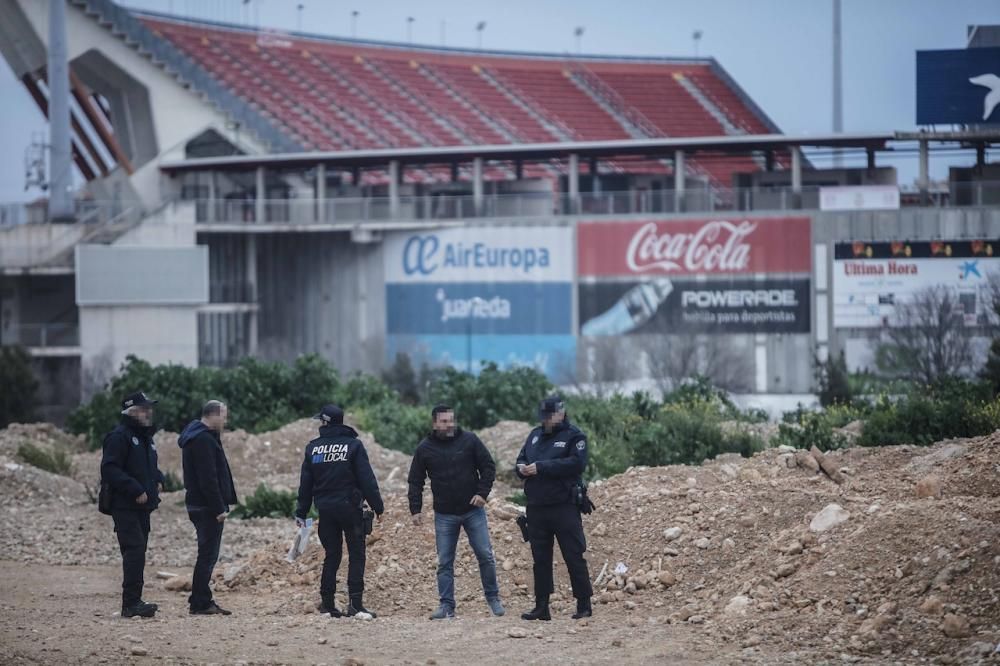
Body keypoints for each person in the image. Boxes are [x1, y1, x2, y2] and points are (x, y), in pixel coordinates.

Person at [408, 405, 504, 620]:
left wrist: (483, 494)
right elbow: (415, 480)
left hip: (473, 511)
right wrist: (415, 509)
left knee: (485, 555)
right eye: (444, 421)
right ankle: (446, 605)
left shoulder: (469, 440)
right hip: (444, 514)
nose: (449, 424)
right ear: (434, 424)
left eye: (451, 420)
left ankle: (493, 598)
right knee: (444, 562)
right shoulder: (425, 448)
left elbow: (488, 466)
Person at [295, 404, 385, 618]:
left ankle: (328, 604)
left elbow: (305, 484)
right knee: (356, 555)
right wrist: (378, 505)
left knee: (332, 555)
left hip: (325, 510)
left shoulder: (312, 448)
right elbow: (367, 479)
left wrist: (301, 512)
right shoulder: (353, 446)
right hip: (350, 509)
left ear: (325, 422)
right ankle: (355, 605)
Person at [515, 395, 594, 621]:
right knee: (540, 558)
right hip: (537, 507)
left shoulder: (574, 436)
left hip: (564, 506)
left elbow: (576, 464)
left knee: (573, 555)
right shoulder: (535, 435)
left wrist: (542, 467)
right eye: (544, 417)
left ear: (561, 413)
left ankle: (584, 604)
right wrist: (521, 468)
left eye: (551, 416)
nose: (547, 421)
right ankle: (542, 606)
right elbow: (521, 459)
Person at [100, 391, 165, 618]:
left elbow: (149, 467)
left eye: (149, 408)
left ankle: (135, 600)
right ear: (133, 412)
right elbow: (109, 469)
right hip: (125, 505)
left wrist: (158, 480)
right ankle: (130, 604)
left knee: (140, 550)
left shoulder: (146, 438)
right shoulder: (119, 437)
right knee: (134, 550)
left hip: (143, 508)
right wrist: (135, 489)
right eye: (145, 409)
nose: (149, 412)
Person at [178, 400, 238, 616]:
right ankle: (200, 602)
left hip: (198, 504)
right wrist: (218, 508)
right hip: (206, 507)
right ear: (213, 415)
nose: (225, 421)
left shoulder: (199, 436)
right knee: (207, 555)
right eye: (224, 416)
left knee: (206, 554)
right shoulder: (202, 439)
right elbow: (208, 478)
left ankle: (200, 598)